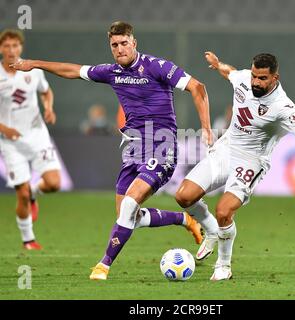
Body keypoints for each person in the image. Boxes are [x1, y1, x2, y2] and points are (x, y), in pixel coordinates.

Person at [11, 21, 214, 279]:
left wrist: (206, 128)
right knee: (127, 216)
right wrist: (35, 63)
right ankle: (184, 220)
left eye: (123, 43)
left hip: (162, 147)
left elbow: (198, 87)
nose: (119, 49)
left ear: (134, 43)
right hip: (133, 150)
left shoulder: (156, 66)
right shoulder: (111, 72)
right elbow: (73, 70)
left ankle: (103, 265)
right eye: (114, 45)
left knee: (129, 205)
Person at [173, 51, 295, 281]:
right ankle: (211, 230)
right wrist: (218, 64)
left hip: (251, 159)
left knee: (224, 211)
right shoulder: (244, 78)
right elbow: (231, 73)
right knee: (183, 196)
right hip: (226, 148)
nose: (256, 82)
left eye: (262, 79)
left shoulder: (282, 106)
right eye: (254, 76)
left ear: (274, 78)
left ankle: (224, 265)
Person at [0, 29, 61, 250]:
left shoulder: (32, 71)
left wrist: (48, 107)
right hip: (10, 142)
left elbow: (46, 91)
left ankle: (36, 193)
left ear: (21, 47)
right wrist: (4, 128)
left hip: (37, 135)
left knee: (54, 184)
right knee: (21, 193)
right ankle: (29, 240)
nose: (11, 50)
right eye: (6, 46)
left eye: (15, 45)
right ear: (0, 49)